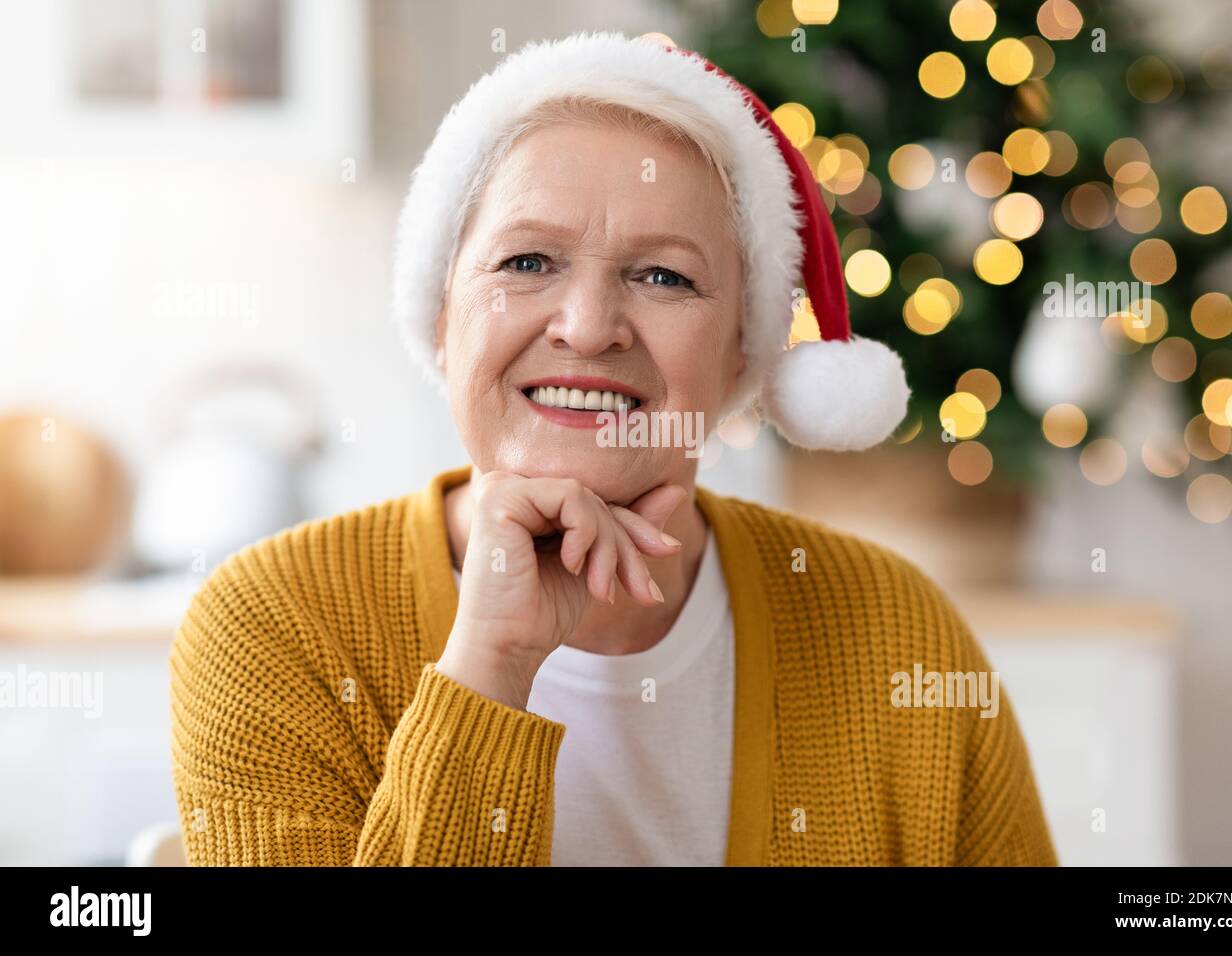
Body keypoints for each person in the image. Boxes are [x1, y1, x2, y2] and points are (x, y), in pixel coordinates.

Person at [169, 31, 1058, 866]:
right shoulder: (269, 627)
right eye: (527, 262)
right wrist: (491, 666)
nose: (588, 329)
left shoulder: (896, 632)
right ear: (443, 316)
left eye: (663, 276)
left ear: (744, 350)